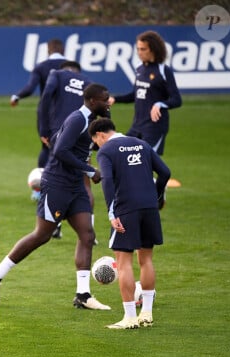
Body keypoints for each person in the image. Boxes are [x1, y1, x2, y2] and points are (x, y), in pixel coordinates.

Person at [0, 84, 111, 311]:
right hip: (57, 185)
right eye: (105, 99)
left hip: (75, 187)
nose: (109, 101)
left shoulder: (91, 119)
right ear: (92, 101)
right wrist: (89, 170)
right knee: (42, 235)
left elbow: (56, 139)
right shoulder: (77, 119)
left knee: (87, 233)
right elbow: (60, 150)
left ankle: (82, 294)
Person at [89, 117, 170, 329]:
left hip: (126, 209)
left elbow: (106, 180)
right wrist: (157, 197)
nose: (97, 146)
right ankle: (147, 313)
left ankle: (130, 317)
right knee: (146, 259)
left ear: (100, 135)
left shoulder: (106, 150)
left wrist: (110, 212)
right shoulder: (142, 144)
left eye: (96, 142)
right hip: (149, 207)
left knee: (123, 262)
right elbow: (165, 172)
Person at [108, 30, 181, 187]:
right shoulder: (140, 69)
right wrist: (115, 99)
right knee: (123, 155)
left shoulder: (163, 70)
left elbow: (176, 99)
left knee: (143, 164)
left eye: (143, 49)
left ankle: (156, 195)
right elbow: (135, 95)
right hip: (137, 126)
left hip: (154, 127)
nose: (139, 53)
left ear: (153, 49)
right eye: (138, 49)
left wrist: (160, 104)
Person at [40, 60, 93, 239]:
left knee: (57, 179)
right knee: (85, 184)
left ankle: (54, 224)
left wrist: (43, 128)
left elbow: (46, 95)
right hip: (83, 138)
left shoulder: (56, 74)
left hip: (59, 135)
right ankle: (90, 230)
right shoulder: (88, 82)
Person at [10, 38, 66, 200]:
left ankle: (39, 190)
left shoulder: (41, 67)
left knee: (46, 147)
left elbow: (30, 88)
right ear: (62, 51)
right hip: (68, 115)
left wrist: (17, 96)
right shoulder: (71, 66)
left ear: (48, 51)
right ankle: (66, 187)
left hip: (47, 114)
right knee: (67, 149)